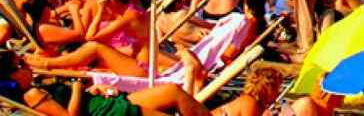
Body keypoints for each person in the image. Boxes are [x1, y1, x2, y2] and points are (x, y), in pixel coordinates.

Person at [0, 49, 210, 116]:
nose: (26, 65)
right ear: (13, 76)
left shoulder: (37, 87)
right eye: (21, 64)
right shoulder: (31, 96)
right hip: (104, 112)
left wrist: (91, 89)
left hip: (102, 103)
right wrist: (76, 88)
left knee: (173, 91)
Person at [210, 66, 283, 116]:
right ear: (268, 89)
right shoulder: (250, 102)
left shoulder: (254, 103)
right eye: (278, 87)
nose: (279, 92)